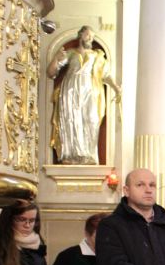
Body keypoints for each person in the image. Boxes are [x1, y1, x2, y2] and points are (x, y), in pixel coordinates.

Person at [47, 25, 121, 165]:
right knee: (71, 119)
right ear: (80, 35)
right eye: (88, 35)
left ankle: (88, 155)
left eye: (92, 37)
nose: (90, 39)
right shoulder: (70, 53)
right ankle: (70, 154)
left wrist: (116, 87)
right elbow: (51, 73)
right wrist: (56, 59)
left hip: (90, 90)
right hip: (70, 90)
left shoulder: (97, 56)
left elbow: (106, 75)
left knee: (91, 119)